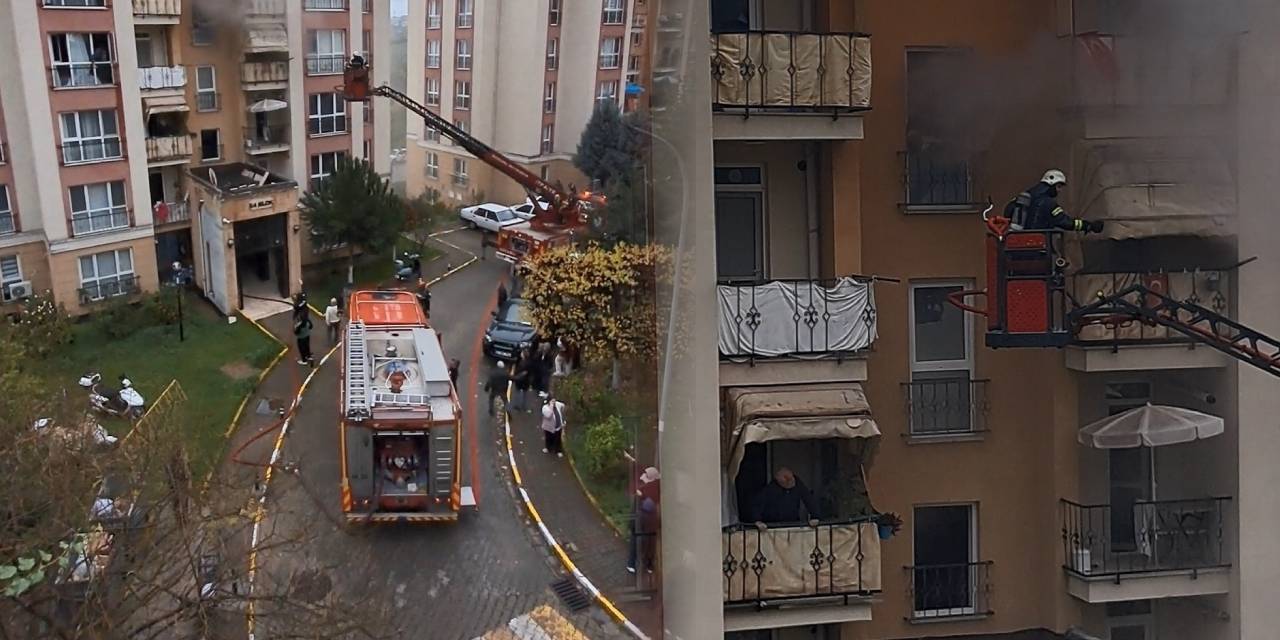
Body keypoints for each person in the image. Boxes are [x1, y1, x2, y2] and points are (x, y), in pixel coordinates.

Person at [1006, 170, 1104, 234]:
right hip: (1039, 247)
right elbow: (1065, 222)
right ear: (1051, 184)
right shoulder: (1048, 203)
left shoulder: (1023, 197)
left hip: (1015, 246)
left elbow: (1007, 212)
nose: (1059, 190)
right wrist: (1088, 225)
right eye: (1059, 186)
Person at [751, 467, 820, 526]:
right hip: (774, 524)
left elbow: (808, 499)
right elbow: (758, 504)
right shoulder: (771, 488)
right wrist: (757, 521)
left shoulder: (797, 483)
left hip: (793, 523)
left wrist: (815, 517)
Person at [628, 466, 660, 574]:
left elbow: (650, 505)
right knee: (638, 542)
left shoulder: (652, 489)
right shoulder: (642, 488)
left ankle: (647, 565)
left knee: (648, 543)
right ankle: (634, 563)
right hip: (641, 520)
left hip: (647, 521)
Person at [539, 392, 566, 457]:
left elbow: (563, 405)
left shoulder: (557, 404)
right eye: (552, 401)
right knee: (549, 437)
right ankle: (548, 448)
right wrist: (551, 407)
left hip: (558, 426)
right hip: (549, 427)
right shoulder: (545, 407)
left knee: (558, 439)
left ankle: (558, 450)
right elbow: (548, 415)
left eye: (554, 401)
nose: (554, 403)